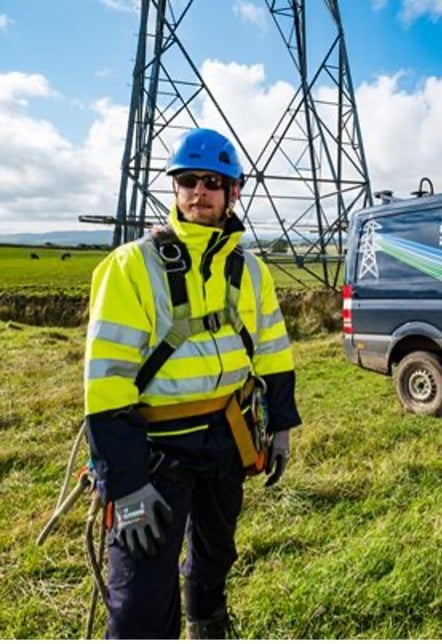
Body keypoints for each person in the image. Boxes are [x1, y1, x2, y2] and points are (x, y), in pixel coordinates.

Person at [83, 127, 302, 638]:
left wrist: (283, 425)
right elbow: (106, 381)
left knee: (216, 554)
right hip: (155, 450)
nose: (198, 192)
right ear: (175, 190)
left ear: (234, 191)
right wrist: (127, 484)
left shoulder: (251, 270)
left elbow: (273, 349)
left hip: (229, 437)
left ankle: (208, 623)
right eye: (187, 181)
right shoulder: (131, 267)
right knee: (141, 591)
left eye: (211, 181)